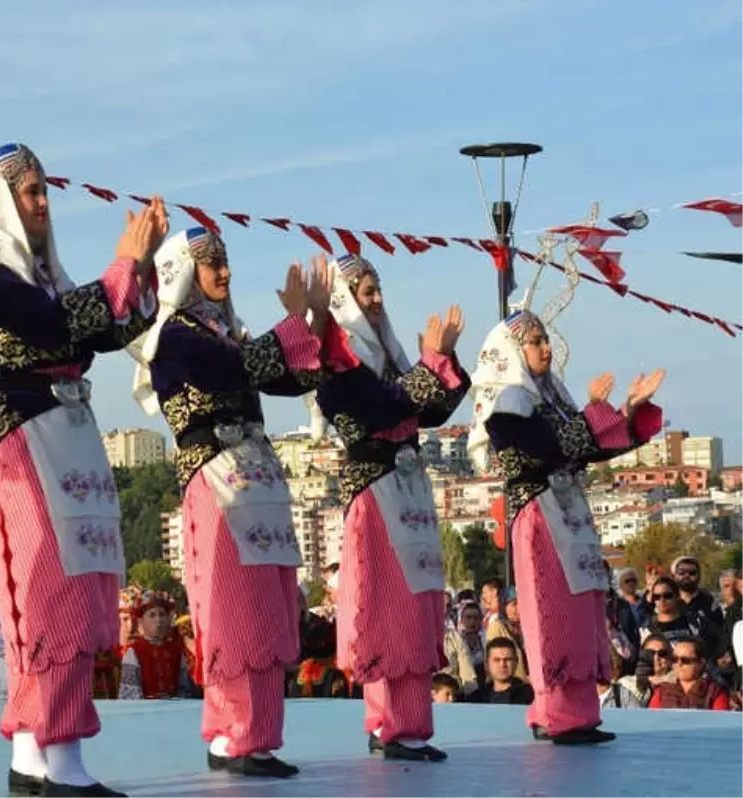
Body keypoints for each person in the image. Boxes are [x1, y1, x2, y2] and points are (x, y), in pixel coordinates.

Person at [0, 143, 165, 798]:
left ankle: (33, 756)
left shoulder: (44, 280)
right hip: (24, 433)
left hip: (65, 433)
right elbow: (49, 324)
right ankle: (62, 760)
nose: (42, 204)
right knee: (48, 590)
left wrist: (139, 267)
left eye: (44, 192)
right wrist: (121, 266)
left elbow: (104, 329)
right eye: (31, 192)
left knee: (72, 586)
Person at [130, 230, 346, 778]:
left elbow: (294, 375)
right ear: (185, 272)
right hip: (217, 481)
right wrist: (294, 322)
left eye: (226, 262)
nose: (225, 273)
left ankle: (259, 737)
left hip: (256, 481)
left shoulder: (227, 333)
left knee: (269, 607)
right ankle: (230, 736)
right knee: (233, 610)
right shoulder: (174, 335)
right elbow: (239, 367)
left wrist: (316, 318)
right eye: (213, 264)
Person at [468, 309, 664, 745]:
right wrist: (596, 410)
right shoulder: (507, 400)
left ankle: (579, 713)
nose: (546, 348)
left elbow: (585, 447)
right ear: (513, 350)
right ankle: (554, 715)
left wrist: (627, 411)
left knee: (580, 614)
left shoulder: (550, 396)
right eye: (536, 341)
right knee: (551, 615)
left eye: (545, 340)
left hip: (568, 513)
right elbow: (549, 447)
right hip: (540, 516)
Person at [309, 254, 470, 762]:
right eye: (367, 291)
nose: (377, 300)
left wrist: (444, 359)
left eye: (379, 289)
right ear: (345, 299)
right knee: (387, 609)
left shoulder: (391, 356)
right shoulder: (337, 358)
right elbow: (379, 409)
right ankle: (386, 725)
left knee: (417, 608)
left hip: (408, 489)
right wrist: (430, 364)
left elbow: (431, 410)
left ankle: (411, 726)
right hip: (375, 491)